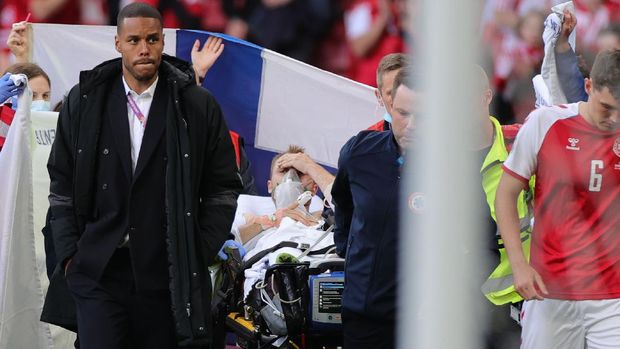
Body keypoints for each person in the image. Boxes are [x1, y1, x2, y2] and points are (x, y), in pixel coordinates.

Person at [44, 3, 242, 349]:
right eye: (134, 40)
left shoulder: (197, 104)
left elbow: (222, 188)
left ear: (163, 41)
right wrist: (69, 256)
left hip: (166, 273)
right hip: (98, 268)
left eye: (152, 39)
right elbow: (61, 184)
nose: (144, 48)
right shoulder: (85, 100)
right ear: (118, 43)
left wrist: (197, 250)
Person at [496, 49, 620, 348]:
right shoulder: (545, 123)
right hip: (550, 290)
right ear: (588, 87)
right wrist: (519, 265)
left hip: (612, 297)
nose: (614, 118)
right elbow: (506, 195)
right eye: (606, 108)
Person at [332, 67, 416, 348]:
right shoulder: (359, 153)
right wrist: (348, 247)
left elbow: (482, 240)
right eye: (404, 113)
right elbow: (342, 200)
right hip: (365, 315)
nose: (412, 124)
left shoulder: (455, 166)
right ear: (391, 107)